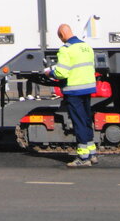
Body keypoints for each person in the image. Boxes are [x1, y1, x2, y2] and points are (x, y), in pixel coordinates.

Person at [44, 22, 98, 167]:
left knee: (78, 122)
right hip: (87, 88)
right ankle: (92, 153)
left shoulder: (65, 49)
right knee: (86, 119)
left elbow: (62, 73)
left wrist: (50, 73)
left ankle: (83, 157)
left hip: (74, 90)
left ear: (62, 35)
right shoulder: (86, 47)